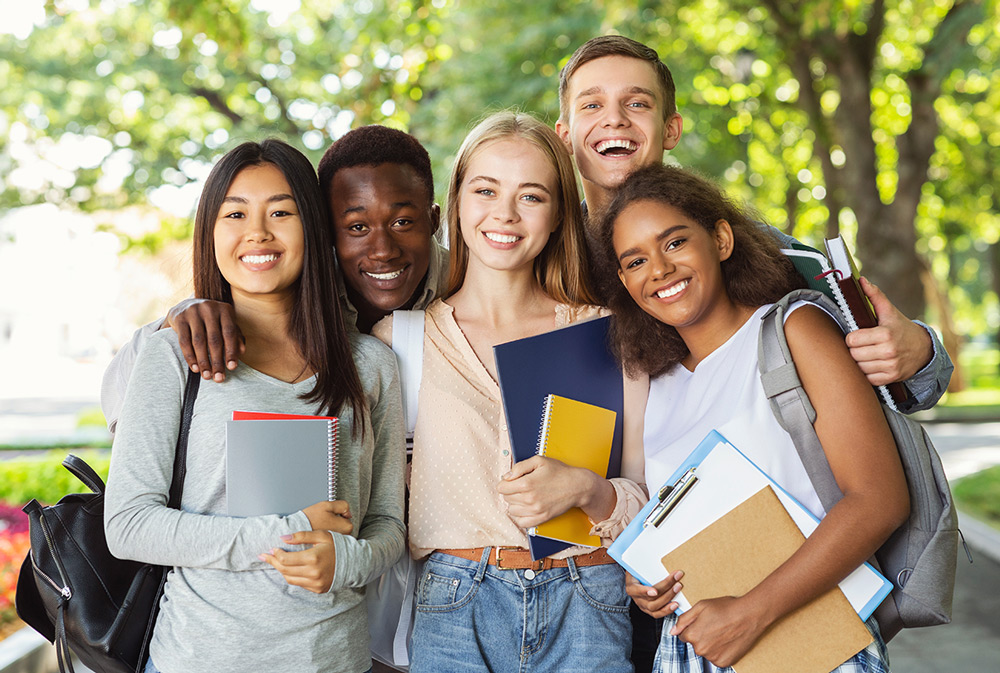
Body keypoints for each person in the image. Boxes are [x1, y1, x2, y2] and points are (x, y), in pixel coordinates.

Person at [103, 139, 405, 673]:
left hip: (334, 659)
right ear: (211, 231)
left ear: (312, 227)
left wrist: (347, 559)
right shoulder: (174, 354)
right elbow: (128, 524)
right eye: (235, 213)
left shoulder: (371, 365)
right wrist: (284, 532)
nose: (258, 231)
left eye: (281, 212)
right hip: (200, 657)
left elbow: (387, 523)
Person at [598, 163, 908, 672]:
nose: (658, 269)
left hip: (810, 643)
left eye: (675, 243)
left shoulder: (793, 329)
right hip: (692, 649)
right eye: (635, 261)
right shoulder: (654, 381)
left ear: (721, 238)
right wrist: (648, 581)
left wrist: (751, 613)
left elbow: (879, 500)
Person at [371, 111, 647, 672]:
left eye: (531, 196)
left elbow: (653, 493)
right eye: (485, 190)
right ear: (456, 204)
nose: (504, 214)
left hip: (588, 599)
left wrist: (588, 490)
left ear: (557, 216)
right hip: (454, 605)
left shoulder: (607, 334)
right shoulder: (401, 340)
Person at [555, 35, 952, 413]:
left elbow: (891, 384)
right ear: (565, 136)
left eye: (637, 103)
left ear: (671, 129)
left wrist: (918, 353)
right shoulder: (543, 258)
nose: (615, 120)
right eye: (591, 105)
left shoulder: (754, 248)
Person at [100, 125, 447, 432]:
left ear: (433, 221)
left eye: (402, 222)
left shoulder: (467, 286)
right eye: (356, 227)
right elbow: (121, 405)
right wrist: (175, 321)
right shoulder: (288, 291)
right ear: (324, 230)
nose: (383, 250)